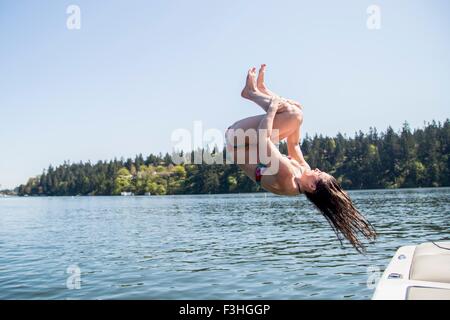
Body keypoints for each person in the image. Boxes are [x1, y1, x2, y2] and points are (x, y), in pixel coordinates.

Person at [226, 64, 376, 252]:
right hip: (252, 141)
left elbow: (264, 138)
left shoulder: (286, 176)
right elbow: (294, 144)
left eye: (319, 174)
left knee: (292, 115)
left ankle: (253, 93)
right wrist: (291, 110)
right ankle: (260, 91)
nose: (318, 170)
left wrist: (273, 108)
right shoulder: (302, 174)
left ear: (313, 186)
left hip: (238, 140)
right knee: (296, 114)